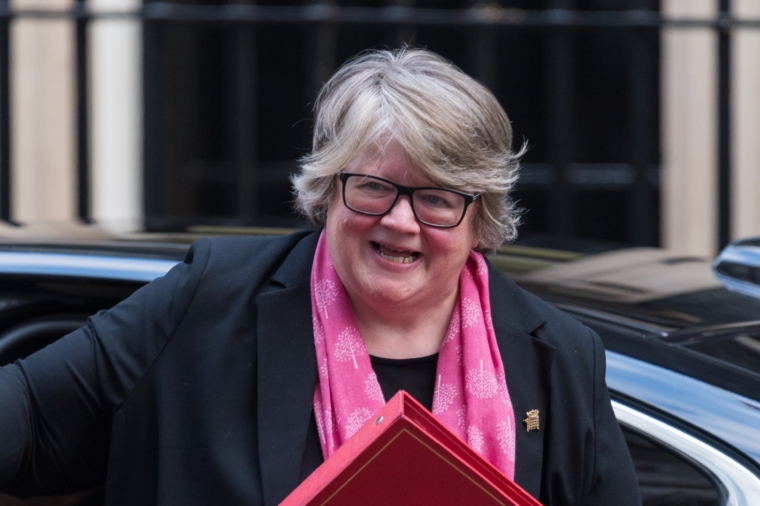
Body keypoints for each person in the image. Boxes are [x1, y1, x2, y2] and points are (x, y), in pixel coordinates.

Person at [0, 48, 640, 505]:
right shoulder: (210, 297)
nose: (399, 221)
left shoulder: (558, 357)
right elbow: (28, 419)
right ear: (327, 189)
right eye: (371, 187)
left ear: (481, 219)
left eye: (437, 199)